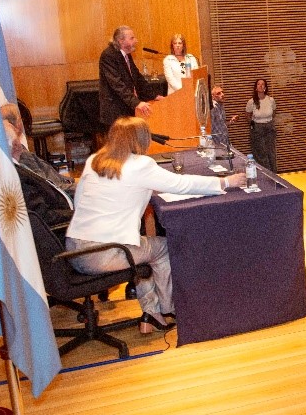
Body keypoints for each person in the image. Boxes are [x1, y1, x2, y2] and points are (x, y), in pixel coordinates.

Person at [65, 117, 245, 333]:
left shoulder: (95, 160)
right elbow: (182, 184)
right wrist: (225, 182)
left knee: (142, 247)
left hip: (74, 248)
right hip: (102, 254)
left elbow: (78, 201)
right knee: (162, 248)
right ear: (141, 139)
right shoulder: (140, 165)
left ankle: (151, 314)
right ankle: (167, 310)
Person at [98, 25, 163, 128]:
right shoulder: (108, 55)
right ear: (121, 41)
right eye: (132, 38)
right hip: (115, 111)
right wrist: (137, 103)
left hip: (125, 108)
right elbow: (117, 85)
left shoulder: (126, 54)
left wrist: (153, 96)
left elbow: (138, 78)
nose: (136, 41)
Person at [245, 78, 277, 172]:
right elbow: (247, 115)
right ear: (256, 88)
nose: (261, 86)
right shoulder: (251, 101)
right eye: (258, 84)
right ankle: (265, 173)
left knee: (271, 151)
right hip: (257, 127)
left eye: (262, 84)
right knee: (260, 152)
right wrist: (253, 124)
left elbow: (274, 112)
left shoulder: (271, 100)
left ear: (265, 87)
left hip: (269, 127)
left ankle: (274, 173)